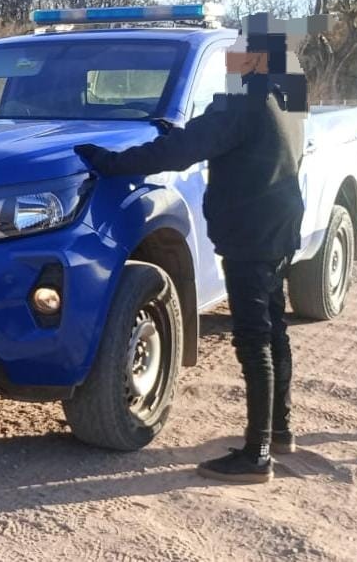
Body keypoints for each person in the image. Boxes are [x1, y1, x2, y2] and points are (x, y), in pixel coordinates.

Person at [75, 27, 307, 484]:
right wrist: (180, 133)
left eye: (239, 50)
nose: (229, 55)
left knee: (253, 337)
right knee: (274, 328)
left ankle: (257, 453)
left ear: (256, 60)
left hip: (248, 235)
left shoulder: (240, 101)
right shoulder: (284, 99)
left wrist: (108, 162)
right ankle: (280, 429)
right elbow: (215, 139)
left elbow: (180, 152)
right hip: (278, 228)